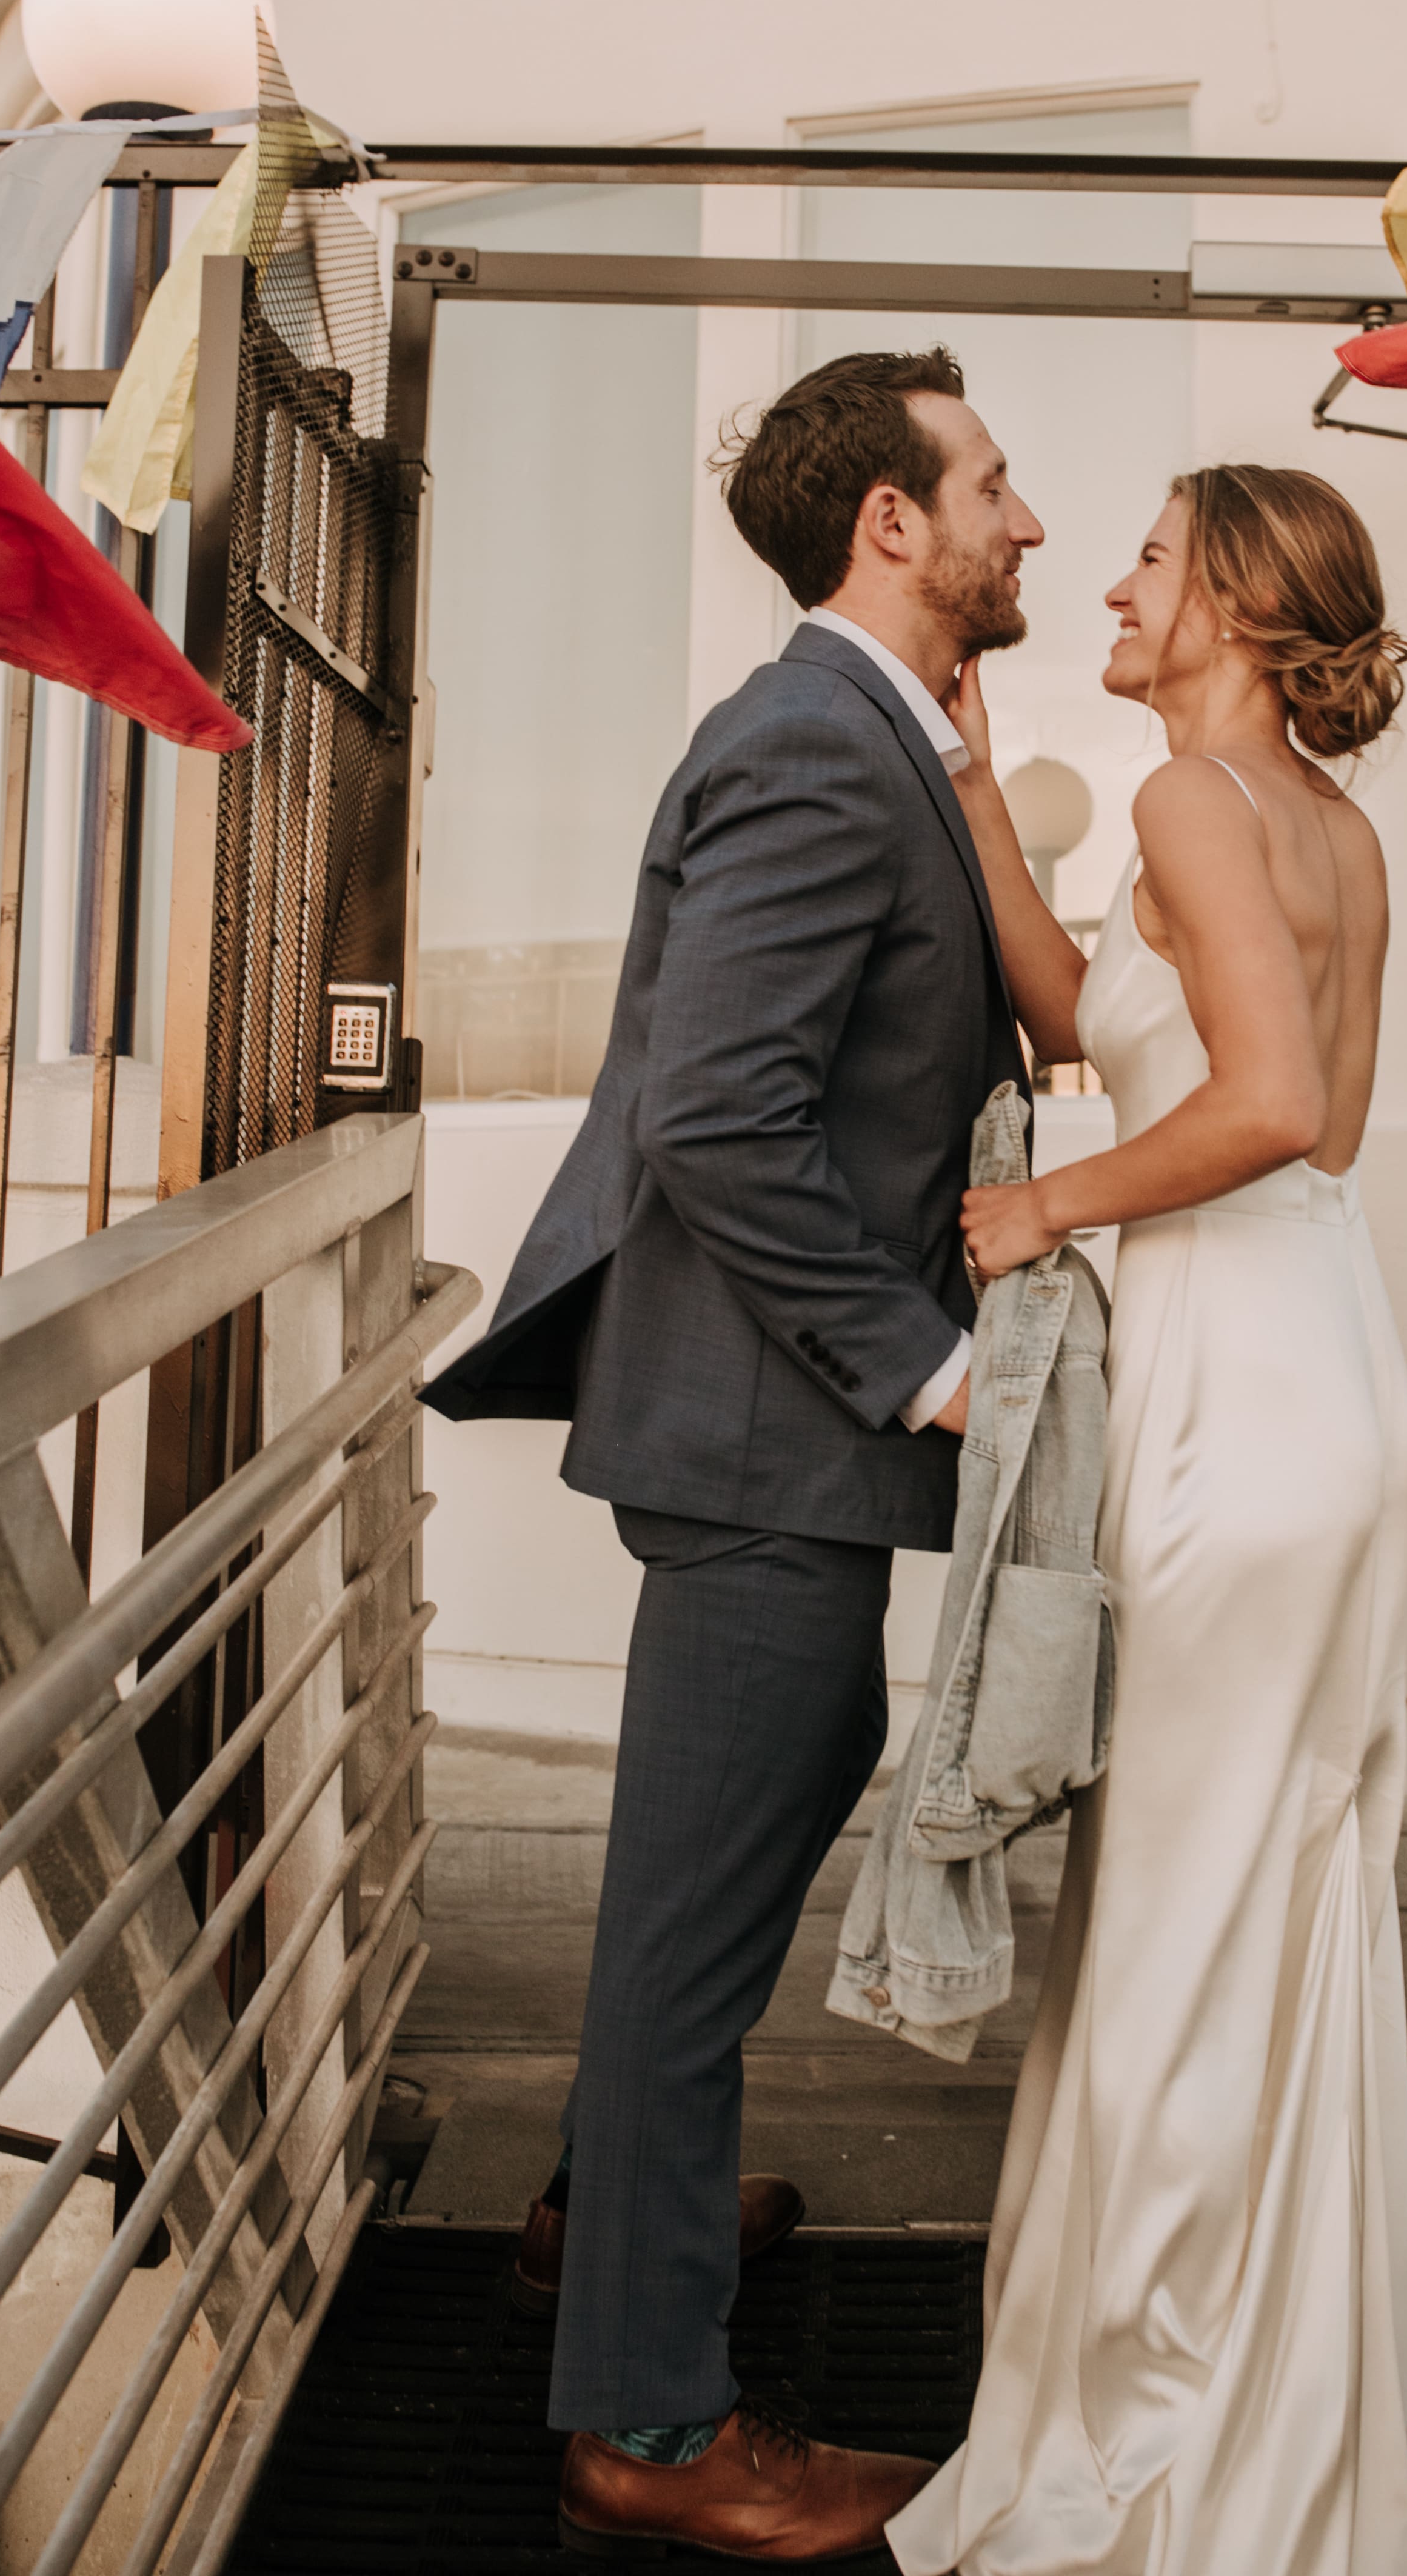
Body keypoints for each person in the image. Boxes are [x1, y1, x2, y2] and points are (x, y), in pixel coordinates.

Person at [423, 348, 1043, 2563]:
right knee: (691, 1933)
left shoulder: (873, 738)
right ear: (893, 519)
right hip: (774, 1424)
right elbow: (721, 1118)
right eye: (993, 485)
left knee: (740, 1846)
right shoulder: (806, 742)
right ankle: (648, 2423)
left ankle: (608, 2214)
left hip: (775, 1435)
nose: (1027, 525)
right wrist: (923, 1368)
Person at [889, 463, 1407, 2576]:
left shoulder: (1202, 813)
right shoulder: (1319, 829)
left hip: (1236, 1398)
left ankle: (1152, 2456)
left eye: (1144, 556)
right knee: (1262, 1910)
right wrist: (980, 797)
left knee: (1180, 1931)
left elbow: (1271, 1108)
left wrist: (1041, 1210)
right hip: (1329, 1367)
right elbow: (1230, 1076)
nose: (1106, 580)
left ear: (1223, 596)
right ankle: (1261, 2423)